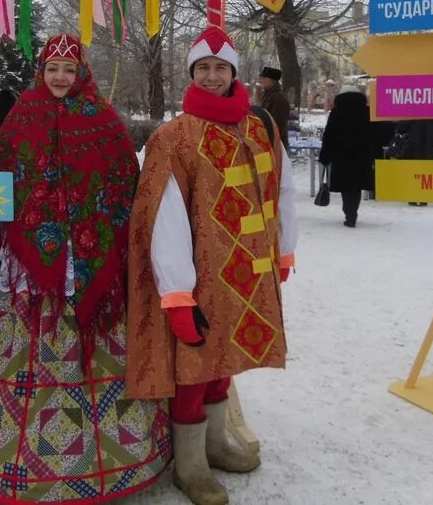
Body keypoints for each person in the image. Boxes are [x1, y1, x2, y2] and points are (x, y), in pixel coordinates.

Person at [0, 34, 171, 503]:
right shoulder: (20, 119)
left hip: (93, 264)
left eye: (68, 68)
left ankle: (116, 462)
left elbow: (125, 186)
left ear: (81, 71)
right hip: (32, 272)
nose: (60, 77)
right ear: (41, 71)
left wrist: (102, 235)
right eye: (52, 68)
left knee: (105, 356)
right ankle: (25, 469)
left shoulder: (105, 122)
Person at [126, 26, 298, 505]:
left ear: (233, 72)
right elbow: (166, 217)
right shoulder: (173, 137)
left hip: (250, 270)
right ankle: (191, 464)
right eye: (203, 68)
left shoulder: (260, 127)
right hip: (201, 274)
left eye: (220, 68)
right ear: (192, 73)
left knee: (228, 357)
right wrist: (177, 292)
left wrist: (284, 249)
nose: (212, 75)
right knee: (197, 365)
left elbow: (280, 188)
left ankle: (217, 442)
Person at [318, 85, 373, 227]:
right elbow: (376, 134)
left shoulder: (337, 112)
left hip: (341, 155)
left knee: (346, 186)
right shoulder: (367, 112)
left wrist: (325, 156)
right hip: (362, 155)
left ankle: (349, 213)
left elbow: (329, 136)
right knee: (356, 186)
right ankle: (352, 212)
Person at [396, 119, 433, 206]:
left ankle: (413, 196)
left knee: (413, 173)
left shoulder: (412, 111)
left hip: (414, 149)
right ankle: (424, 196)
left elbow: (402, 127)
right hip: (428, 151)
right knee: (425, 173)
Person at [259, 65, 291, 149]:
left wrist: (272, 144)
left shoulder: (279, 98)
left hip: (275, 145)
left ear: (270, 80)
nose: (261, 80)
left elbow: (278, 126)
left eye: (263, 78)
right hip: (266, 141)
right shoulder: (267, 95)